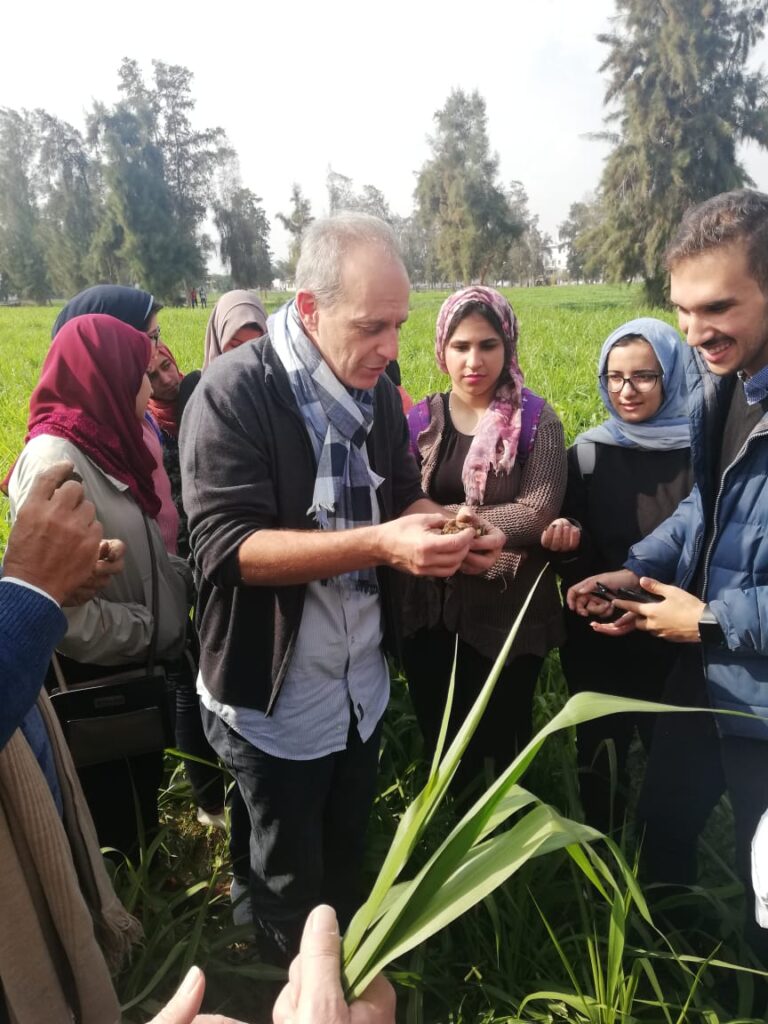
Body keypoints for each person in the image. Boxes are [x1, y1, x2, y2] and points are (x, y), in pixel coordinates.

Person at [180, 213, 505, 964]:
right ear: (308, 309)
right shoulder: (235, 395)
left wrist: (446, 525)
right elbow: (226, 550)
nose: (391, 350)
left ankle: (342, 974)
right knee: (287, 866)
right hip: (276, 692)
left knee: (344, 853)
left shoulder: (378, 396)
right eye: (372, 327)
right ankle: (280, 981)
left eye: (399, 324)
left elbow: (398, 499)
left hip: (360, 683)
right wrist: (382, 544)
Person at [567, 189, 768, 961]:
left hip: (753, 683)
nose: (695, 332)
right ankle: (674, 973)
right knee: (662, 828)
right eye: (682, 308)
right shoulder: (722, 389)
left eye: (717, 305)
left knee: (763, 883)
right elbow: (702, 514)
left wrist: (713, 620)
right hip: (702, 673)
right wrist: (632, 572)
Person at [7, 313, 192, 857]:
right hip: (100, 665)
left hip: (131, 654)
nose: (147, 385)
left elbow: (137, 550)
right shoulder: (56, 461)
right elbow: (53, 602)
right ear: (104, 377)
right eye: (138, 373)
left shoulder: (106, 445)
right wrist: (144, 628)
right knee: (112, 818)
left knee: (138, 796)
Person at [400, 286, 567, 797]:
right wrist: (454, 527)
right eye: (461, 346)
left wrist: (460, 526)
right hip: (429, 609)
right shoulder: (420, 421)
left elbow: (538, 508)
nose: (474, 360)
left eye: (488, 345)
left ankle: (508, 844)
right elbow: (401, 496)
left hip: (506, 609)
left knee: (502, 733)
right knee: (441, 733)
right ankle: (449, 832)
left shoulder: (538, 421)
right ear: (441, 350)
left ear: (508, 346)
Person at [540, 318, 692, 832]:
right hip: (599, 633)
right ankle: (601, 861)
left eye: (644, 377)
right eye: (614, 377)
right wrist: (568, 550)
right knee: (600, 754)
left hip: (673, 635)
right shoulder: (587, 452)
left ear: (672, 376)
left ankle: (662, 875)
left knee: (671, 764)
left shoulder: (704, 454)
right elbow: (573, 539)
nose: (626, 391)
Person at [54, 284, 180, 554]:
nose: (156, 351)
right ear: (106, 345)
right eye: (151, 338)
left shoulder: (141, 420)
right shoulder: (66, 457)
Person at [202, 288, 268, 368]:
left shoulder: (280, 379)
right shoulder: (197, 380)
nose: (247, 356)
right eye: (235, 346)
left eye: (256, 347)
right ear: (219, 338)